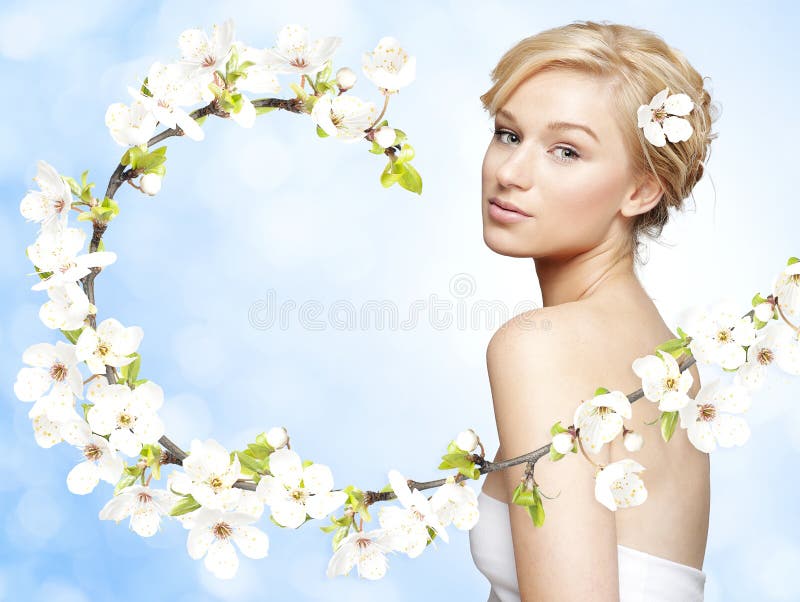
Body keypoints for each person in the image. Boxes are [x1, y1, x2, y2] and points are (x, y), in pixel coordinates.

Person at [468, 20, 719, 601]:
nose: (509, 174)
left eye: (565, 151)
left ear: (642, 189)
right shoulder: (667, 358)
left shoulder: (541, 345)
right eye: (508, 134)